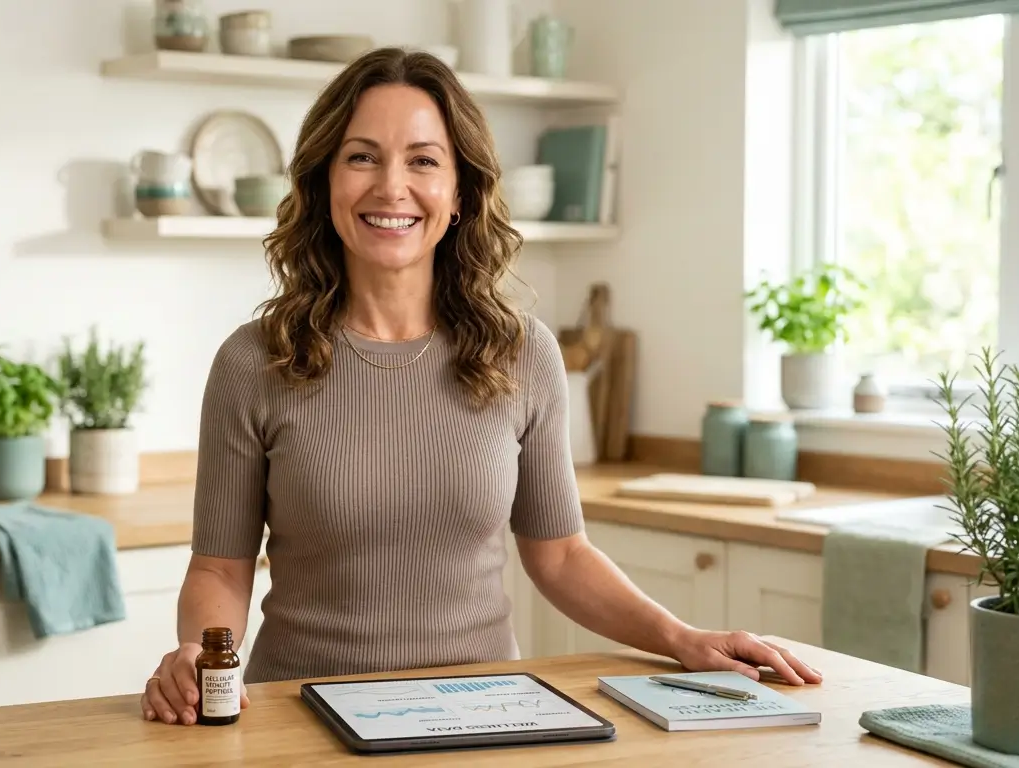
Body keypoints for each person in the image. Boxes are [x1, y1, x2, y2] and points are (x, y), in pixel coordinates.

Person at [140, 47, 822, 726]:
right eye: (362, 156)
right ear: (323, 181)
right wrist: (198, 656)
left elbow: (559, 555)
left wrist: (682, 639)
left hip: (483, 716)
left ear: (461, 192)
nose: (391, 187)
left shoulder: (524, 354)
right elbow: (221, 569)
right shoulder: (255, 361)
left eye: (423, 160)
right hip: (302, 720)